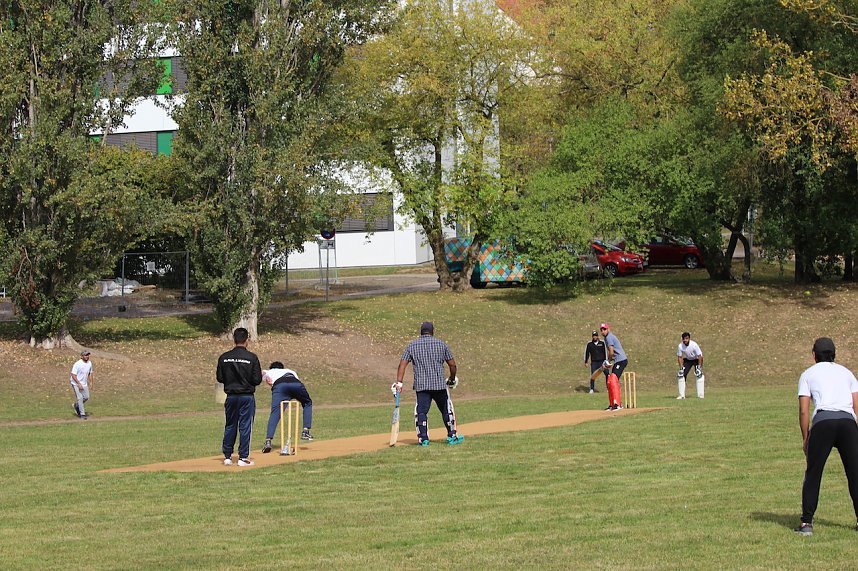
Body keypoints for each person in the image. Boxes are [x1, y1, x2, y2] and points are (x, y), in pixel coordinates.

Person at [795, 337, 858, 536]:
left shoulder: (807, 374)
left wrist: (806, 437)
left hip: (823, 422)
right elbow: (856, 406)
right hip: (848, 423)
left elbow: (804, 410)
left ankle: (806, 523)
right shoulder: (847, 373)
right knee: (855, 474)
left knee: (814, 473)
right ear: (834, 354)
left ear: (814, 355)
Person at [394, 321, 463, 447]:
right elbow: (452, 365)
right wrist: (452, 378)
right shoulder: (441, 344)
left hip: (422, 386)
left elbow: (402, 365)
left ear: (421, 332)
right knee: (446, 410)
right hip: (439, 385)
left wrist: (399, 383)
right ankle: (452, 436)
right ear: (432, 331)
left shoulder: (412, 346)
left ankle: (423, 439)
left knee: (421, 412)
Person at [216, 327, 262, 467]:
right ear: (247, 339)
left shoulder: (224, 357)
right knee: (245, 426)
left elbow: (220, 378)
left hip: (230, 396)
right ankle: (243, 457)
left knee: (230, 425)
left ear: (234, 339)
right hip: (246, 396)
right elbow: (257, 380)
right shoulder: (252, 358)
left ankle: (227, 456)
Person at [261, 362, 314, 453]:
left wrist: (267, 379)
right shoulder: (290, 371)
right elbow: (296, 382)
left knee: (275, 413)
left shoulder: (270, 371)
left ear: (272, 368)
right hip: (295, 383)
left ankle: (268, 441)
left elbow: (262, 373)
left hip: (280, 387)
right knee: (307, 403)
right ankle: (306, 431)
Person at [676, 332, 704, 399]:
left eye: (687, 338)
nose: (685, 340)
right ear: (682, 339)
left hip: (696, 359)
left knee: (699, 374)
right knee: (681, 375)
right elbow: (680, 357)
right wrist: (681, 368)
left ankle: (700, 395)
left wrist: (699, 367)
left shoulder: (694, 345)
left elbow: (700, 356)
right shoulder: (680, 346)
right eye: (684, 339)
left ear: (689, 338)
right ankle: (681, 395)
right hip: (688, 360)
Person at [70, 350, 93, 420]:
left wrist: (91, 382)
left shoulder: (89, 363)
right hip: (75, 383)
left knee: (86, 397)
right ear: (81, 356)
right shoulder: (77, 364)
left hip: (84, 383)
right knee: (80, 398)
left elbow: (90, 373)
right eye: (85, 355)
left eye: (88, 355)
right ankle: (82, 414)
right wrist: (78, 383)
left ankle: (76, 405)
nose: (87, 356)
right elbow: (73, 374)